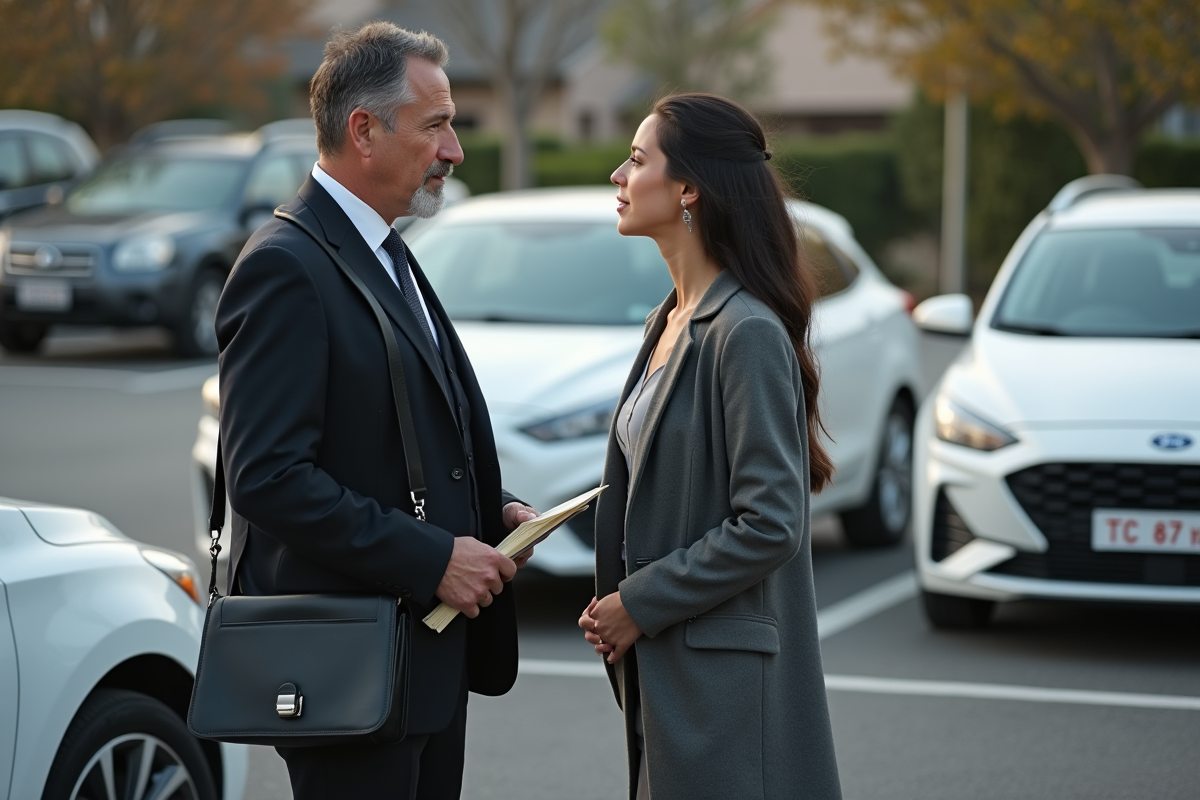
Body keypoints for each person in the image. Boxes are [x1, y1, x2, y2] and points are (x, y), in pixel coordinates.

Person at [216, 22, 537, 799]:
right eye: (436, 125)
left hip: (419, 666)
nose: (455, 150)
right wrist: (435, 559)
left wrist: (489, 513)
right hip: (351, 672)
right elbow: (268, 477)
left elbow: (384, 440)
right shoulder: (287, 267)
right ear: (363, 131)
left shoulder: (384, 249)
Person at [578, 93, 843, 800]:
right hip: (668, 676)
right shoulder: (668, 321)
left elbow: (772, 523)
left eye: (637, 160)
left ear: (688, 189)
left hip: (724, 696)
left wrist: (639, 601)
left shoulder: (744, 331)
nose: (618, 176)